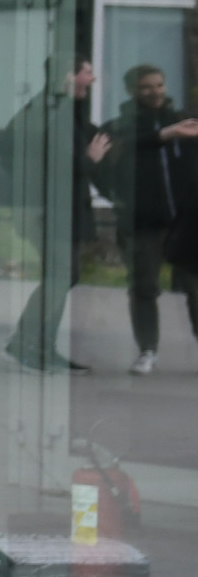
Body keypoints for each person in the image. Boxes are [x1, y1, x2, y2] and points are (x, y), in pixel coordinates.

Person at [5, 57, 109, 374]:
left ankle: (42, 346)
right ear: (67, 76)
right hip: (46, 210)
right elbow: (57, 164)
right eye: (86, 72)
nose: (92, 79)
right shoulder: (49, 111)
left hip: (58, 209)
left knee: (65, 274)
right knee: (61, 274)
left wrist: (163, 134)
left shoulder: (63, 111)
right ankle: (25, 343)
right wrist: (89, 159)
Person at [101, 63, 198, 375]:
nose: (155, 92)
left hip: (186, 221)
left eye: (159, 85)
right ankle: (147, 350)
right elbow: (111, 157)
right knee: (144, 286)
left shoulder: (183, 121)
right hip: (143, 222)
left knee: (195, 286)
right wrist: (119, 198)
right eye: (146, 87)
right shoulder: (120, 126)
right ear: (131, 90)